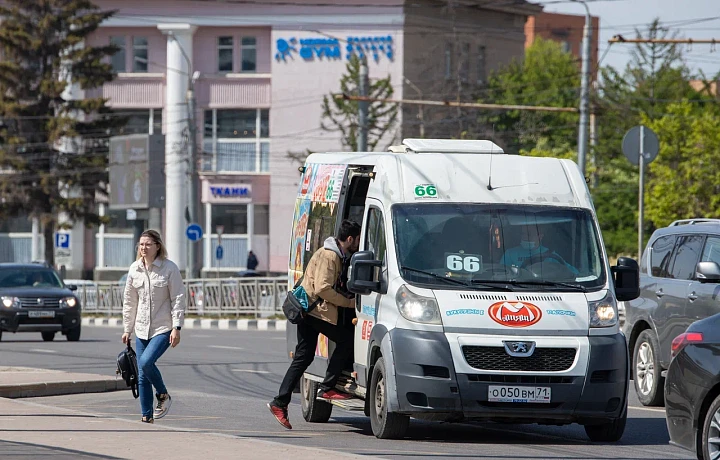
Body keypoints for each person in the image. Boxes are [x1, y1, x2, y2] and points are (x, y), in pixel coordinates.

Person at [268, 220, 362, 430]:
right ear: (349, 239)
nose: (358, 243)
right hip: (315, 312)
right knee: (346, 340)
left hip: (308, 311)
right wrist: (349, 302)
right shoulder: (331, 256)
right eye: (357, 239)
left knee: (304, 357)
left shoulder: (332, 252)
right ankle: (327, 387)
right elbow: (322, 289)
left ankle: (279, 402)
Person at [122, 229, 186, 424]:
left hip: (163, 327)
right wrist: (127, 328)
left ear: (158, 246)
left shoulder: (169, 268)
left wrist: (177, 327)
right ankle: (146, 416)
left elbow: (178, 298)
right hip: (141, 328)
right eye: (141, 244)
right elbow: (129, 301)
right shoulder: (134, 269)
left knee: (146, 362)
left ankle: (163, 394)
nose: (144, 248)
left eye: (148, 244)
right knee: (142, 375)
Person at [501, 224, 578, 275]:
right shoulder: (510, 254)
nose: (525, 237)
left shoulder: (550, 255)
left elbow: (574, 273)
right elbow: (500, 274)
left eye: (529, 234)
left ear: (540, 236)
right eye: (523, 234)